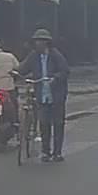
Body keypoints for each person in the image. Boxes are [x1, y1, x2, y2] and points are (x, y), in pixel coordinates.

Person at [18, 28, 70, 162]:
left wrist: (55, 78)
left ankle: (57, 152)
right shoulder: (33, 56)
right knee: (44, 123)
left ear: (46, 42)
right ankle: (45, 151)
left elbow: (65, 71)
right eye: (36, 41)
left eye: (40, 41)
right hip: (41, 95)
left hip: (56, 95)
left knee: (58, 123)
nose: (37, 44)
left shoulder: (56, 55)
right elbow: (23, 68)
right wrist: (13, 72)